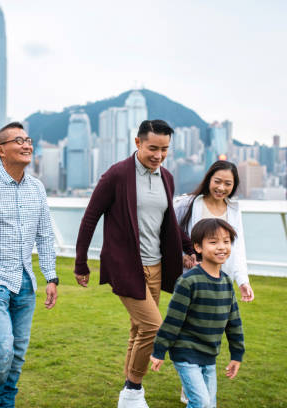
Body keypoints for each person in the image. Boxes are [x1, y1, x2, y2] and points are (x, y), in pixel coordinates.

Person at [74, 119, 196, 408]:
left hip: (156, 267)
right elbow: (90, 217)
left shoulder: (166, 177)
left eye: (164, 149)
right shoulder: (117, 175)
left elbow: (168, 223)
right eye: (153, 148)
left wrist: (188, 246)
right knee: (155, 328)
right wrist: (81, 263)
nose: (158, 155)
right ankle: (133, 389)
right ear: (138, 142)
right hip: (126, 266)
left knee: (138, 330)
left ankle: (127, 396)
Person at [0, 122, 58, 408]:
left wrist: (51, 277)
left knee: (17, 355)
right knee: (2, 349)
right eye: (18, 141)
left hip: (25, 282)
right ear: (0, 150)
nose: (26, 145)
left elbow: (45, 235)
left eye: (28, 140)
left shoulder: (37, 188)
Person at [150, 218, 245, 408]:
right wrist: (159, 350)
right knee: (200, 402)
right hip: (186, 353)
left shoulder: (227, 283)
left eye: (226, 241)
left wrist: (237, 354)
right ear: (198, 247)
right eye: (213, 242)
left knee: (209, 404)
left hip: (209, 356)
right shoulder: (189, 281)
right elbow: (173, 320)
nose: (221, 247)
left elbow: (234, 322)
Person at [174, 160, 254, 302]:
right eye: (217, 181)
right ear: (209, 179)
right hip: (191, 277)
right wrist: (182, 256)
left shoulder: (234, 210)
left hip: (221, 280)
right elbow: (169, 233)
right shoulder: (186, 204)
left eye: (228, 184)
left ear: (234, 186)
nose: (221, 187)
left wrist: (243, 281)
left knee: (215, 319)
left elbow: (238, 248)